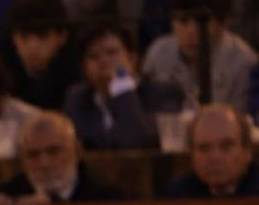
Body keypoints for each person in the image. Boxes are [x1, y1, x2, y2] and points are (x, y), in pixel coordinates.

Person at [62, 23, 185, 151]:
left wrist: (122, 89)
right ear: (84, 68)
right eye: (93, 56)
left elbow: (137, 140)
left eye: (111, 53)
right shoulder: (77, 100)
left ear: (132, 58)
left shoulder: (163, 94)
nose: (103, 62)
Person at [0, 111, 122, 205]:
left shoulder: (107, 199)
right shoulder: (8, 196)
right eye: (33, 155)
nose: (44, 163)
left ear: (77, 150)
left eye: (54, 151)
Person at [142, 0, 256, 113]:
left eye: (202, 23)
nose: (192, 32)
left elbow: (243, 119)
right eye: (183, 21)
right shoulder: (159, 52)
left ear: (223, 24)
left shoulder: (243, 62)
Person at [0, 0, 79, 111]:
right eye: (24, 37)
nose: (32, 46)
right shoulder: (0, 79)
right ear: (13, 38)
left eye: (42, 36)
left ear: (63, 37)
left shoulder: (77, 79)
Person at [163, 103, 259, 197]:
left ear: (247, 152)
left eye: (226, 146)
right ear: (192, 156)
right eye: (204, 148)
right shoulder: (177, 195)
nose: (215, 157)